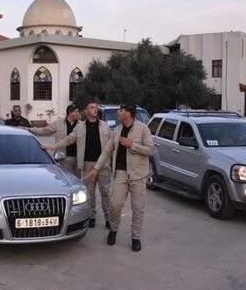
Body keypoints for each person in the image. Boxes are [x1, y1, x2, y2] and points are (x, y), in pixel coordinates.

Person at [85, 105, 154, 252]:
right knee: (115, 205)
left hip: (138, 175)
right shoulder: (116, 130)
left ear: (127, 113)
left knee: (138, 209)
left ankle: (136, 238)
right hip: (120, 173)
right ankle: (113, 230)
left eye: (120, 110)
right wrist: (96, 168)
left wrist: (132, 145)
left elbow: (151, 150)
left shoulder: (143, 129)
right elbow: (107, 150)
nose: (117, 112)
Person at [44, 102, 112, 228]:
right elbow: (68, 139)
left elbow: (112, 146)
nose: (95, 109)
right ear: (85, 111)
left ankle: (108, 218)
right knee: (90, 192)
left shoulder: (105, 126)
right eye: (92, 107)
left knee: (106, 192)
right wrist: (53, 146)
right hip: (87, 164)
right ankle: (92, 216)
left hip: (103, 165)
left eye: (96, 107)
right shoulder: (80, 128)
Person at [27, 105, 79, 176]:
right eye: (76, 112)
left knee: (77, 180)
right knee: (67, 179)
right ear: (70, 112)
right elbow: (44, 131)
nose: (78, 113)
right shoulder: (58, 123)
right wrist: (30, 129)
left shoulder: (81, 125)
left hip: (78, 158)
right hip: (64, 158)